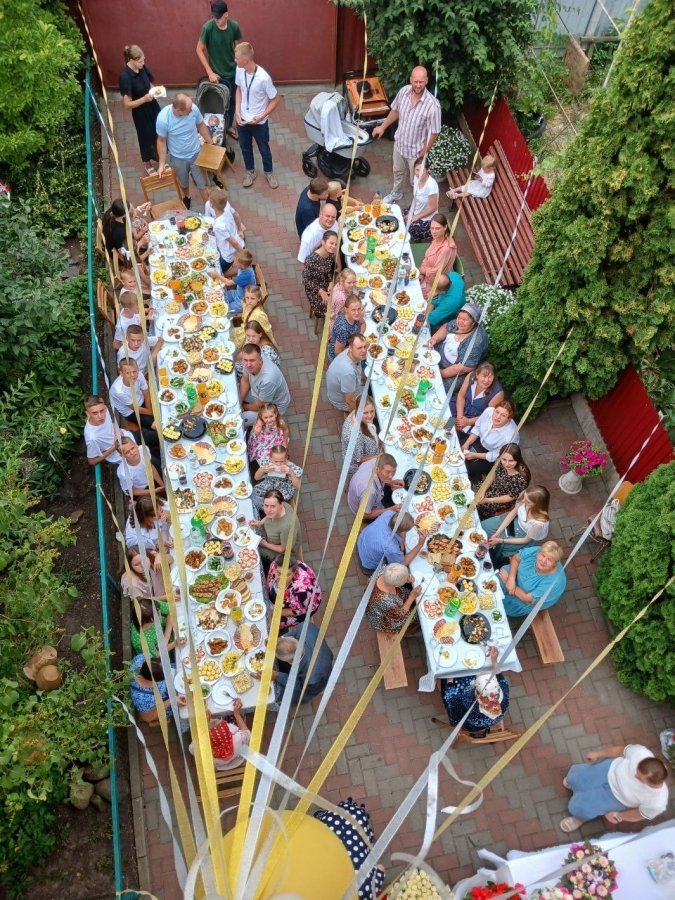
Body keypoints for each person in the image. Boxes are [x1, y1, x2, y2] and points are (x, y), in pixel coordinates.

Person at [560, 744, 669, 833]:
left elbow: (640, 814)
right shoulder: (641, 753)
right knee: (574, 777)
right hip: (609, 770)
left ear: (650, 784)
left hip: (616, 797)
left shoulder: (657, 802)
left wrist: (618, 816)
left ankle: (579, 818)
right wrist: (598, 753)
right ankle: (575, 785)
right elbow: (619, 751)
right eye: (637, 771)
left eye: (639, 778)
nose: (635, 775)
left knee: (581, 808)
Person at [371, 66, 441, 204]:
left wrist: (424, 151)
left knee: (416, 180)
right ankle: (396, 193)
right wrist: (382, 127)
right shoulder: (403, 92)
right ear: (411, 80)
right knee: (398, 172)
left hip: (416, 152)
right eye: (415, 81)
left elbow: (435, 132)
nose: (418, 85)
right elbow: (395, 111)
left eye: (421, 82)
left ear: (426, 81)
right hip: (399, 145)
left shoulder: (433, 105)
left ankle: (418, 203)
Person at [313, 799, 386, 900]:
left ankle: (322, 817)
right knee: (322, 826)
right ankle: (320, 817)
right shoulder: (314, 885)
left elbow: (381, 867)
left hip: (356, 823)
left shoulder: (367, 892)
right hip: (331, 824)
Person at [234, 42, 280, 189]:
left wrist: (261, 116)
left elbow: (275, 99)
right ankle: (250, 171)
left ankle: (269, 173)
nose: (235, 60)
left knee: (264, 149)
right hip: (243, 120)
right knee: (245, 147)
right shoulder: (239, 70)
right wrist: (237, 111)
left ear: (245, 60)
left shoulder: (263, 78)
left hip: (259, 123)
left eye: (237, 58)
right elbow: (239, 90)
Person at [156, 93, 213, 209]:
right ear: (178, 110)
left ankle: (209, 209)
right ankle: (187, 196)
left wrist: (211, 143)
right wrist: (161, 165)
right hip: (178, 158)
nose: (192, 110)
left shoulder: (193, 109)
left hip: (196, 153)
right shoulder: (163, 119)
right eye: (189, 109)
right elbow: (161, 141)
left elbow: (201, 125)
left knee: (203, 184)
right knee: (183, 182)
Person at [441, 646, 509, 738]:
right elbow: (500, 676)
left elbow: (449, 695)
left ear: (477, 694)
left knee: (451, 681)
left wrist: (450, 673)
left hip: (466, 724)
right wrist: (494, 661)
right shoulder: (503, 693)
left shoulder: (465, 702)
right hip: (491, 720)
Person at [196, 0, 242, 135]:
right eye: (214, 16)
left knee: (232, 101)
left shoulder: (234, 26)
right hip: (216, 75)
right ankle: (217, 128)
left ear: (226, 14)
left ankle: (229, 126)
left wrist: (239, 63)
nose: (216, 19)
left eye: (219, 17)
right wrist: (210, 72)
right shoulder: (208, 28)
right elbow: (199, 49)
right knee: (219, 103)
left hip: (233, 72)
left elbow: (237, 45)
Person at [429, 303, 489, 395]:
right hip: (440, 352)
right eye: (459, 318)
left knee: (436, 389)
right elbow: (446, 328)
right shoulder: (457, 323)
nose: (460, 322)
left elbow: (464, 368)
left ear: (473, 322)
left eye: (464, 320)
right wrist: (434, 339)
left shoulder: (477, 341)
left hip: (454, 370)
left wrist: (441, 373)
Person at [119, 45, 161, 173]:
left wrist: (155, 91)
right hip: (140, 112)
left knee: (159, 132)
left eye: (144, 60)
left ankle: (161, 159)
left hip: (152, 106)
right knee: (145, 137)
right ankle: (147, 164)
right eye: (140, 61)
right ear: (131, 60)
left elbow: (150, 83)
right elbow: (127, 104)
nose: (143, 63)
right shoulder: (125, 77)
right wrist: (144, 99)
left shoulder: (142, 67)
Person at [498, 542, 567, 618]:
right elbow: (516, 558)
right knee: (498, 578)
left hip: (527, 599)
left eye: (549, 560)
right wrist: (511, 579)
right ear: (539, 553)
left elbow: (527, 599)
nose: (543, 561)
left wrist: (507, 581)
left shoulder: (553, 582)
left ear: (554, 564)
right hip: (517, 579)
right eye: (543, 555)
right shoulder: (536, 551)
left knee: (505, 607)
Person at [484, 487, 551, 566]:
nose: (523, 501)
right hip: (514, 521)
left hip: (523, 535)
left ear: (536, 504)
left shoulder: (539, 523)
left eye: (527, 501)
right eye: (524, 497)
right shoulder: (524, 496)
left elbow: (525, 540)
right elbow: (513, 512)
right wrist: (497, 532)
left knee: (499, 547)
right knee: (485, 527)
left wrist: (501, 540)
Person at [272, 623, 333, 705]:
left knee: (288, 694)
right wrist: (281, 639)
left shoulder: (311, 678)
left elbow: (299, 686)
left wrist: (277, 676)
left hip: (313, 684)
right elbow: (295, 632)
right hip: (323, 654)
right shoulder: (306, 628)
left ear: (290, 662)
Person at [461, 401, 519, 481]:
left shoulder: (509, 437)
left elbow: (495, 455)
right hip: (479, 439)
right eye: (497, 412)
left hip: (489, 453)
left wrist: (474, 455)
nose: (497, 417)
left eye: (503, 415)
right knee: (457, 448)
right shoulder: (489, 411)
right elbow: (477, 428)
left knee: (466, 468)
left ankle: (476, 478)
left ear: (509, 419)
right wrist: (466, 444)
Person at [357, 511, 426, 575]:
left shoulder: (389, 514)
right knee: (397, 573)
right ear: (402, 532)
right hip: (368, 565)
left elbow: (400, 528)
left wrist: (402, 541)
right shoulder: (391, 547)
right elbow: (400, 564)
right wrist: (420, 544)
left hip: (361, 542)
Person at [238, 344, 290, 427]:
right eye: (245, 360)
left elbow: (260, 405)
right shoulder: (249, 363)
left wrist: (243, 407)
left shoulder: (268, 379)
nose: (248, 364)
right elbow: (245, 380)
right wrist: (239, 401)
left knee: (240, 419)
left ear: (260, 360)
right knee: (235, 394)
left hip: (272, 406)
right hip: (259, 393)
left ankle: (266, 425)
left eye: (252, 360)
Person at [476, 443, 531, 520]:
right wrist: (483, 490)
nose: (507, 464)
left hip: (502, 499)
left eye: (511, 461)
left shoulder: (522, 478)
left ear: (518, 459)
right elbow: (493, 474)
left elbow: (510, 497)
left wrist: (488, 500)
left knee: (483, 509)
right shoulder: (499, 461)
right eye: (504, 459)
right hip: (493, 487)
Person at [267, 554, 322, 630]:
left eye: (287, 575)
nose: (282, 578)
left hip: (301, 608)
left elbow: (294, 612)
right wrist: (265, 592)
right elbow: (269, 578)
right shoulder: (274, 564)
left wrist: (273, 612)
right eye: (279, 573)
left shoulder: (301, 591)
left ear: (294, 573)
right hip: (294, 598)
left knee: (272, 623)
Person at [191, 701, 251, 771]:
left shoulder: (205, 751)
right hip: (237, 760)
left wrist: (203, 726)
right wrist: (237, 714)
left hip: (219, 766)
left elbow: (192, 747)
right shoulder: (238, 738)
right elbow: (247, 733)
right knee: (239, 717)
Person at [109, 357, 158, 440]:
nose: (132, 375)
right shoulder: (118, 391)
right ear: (121, 373)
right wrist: (153, 413)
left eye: (134, 371)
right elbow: (135, 408)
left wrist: (151, 411)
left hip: (141, 400)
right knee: (156, 425)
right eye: (128, 373)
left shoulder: (140, 375)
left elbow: (146, 395)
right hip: (131, 411)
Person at [249, 489, 301, 566]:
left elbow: (283, 549)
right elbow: (268, 515)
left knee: (252, 550)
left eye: (273, 506)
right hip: (269, 538)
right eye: (266, 505)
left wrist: (265, 544)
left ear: (281, 505)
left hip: (281, 553)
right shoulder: (278, 508)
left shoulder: (286, 527)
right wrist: (260, 523)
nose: (268, 510)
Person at [365, 563, 421, 634]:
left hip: (389, 607)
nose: (408, 578)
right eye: (405, 580)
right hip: (385, 619)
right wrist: (411, 597)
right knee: (417, 614)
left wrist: (406, 576)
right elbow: (399, 616)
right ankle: (413, 629)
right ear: (396, 585)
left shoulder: (385, 569)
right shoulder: (385, 601)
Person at [130, 656, 185, 724]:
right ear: (157, 681)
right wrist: (171, 701)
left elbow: (157, 655)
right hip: (167, 701)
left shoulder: (140, 659)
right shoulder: (141, 698)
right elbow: (147, 718)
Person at [347, 454, 403, 521]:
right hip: (360, 510)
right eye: (388, 472)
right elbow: (364, 515)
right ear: (377, 469)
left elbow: (362, 459)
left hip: (359, 496)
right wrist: (391, 509)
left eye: (393, 472)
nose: (391, 476)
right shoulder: (370, 492)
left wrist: (390, 483)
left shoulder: (376, 461)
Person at [83, 395, 135, 467]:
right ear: (88, 413)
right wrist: (115, 446)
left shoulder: (105, 410)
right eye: (95, 413)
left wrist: (117, 429)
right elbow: (92, 461)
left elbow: (109, 423)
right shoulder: (92, 438)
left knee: (150, 436)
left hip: (127, 436)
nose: (100, 416)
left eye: (102, 411)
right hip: (120, 454)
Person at [452, 362, 504, 429]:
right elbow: (461, 396)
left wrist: (468, 422)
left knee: (455, 433)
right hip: (460, 408)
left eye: (490, 377)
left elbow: (489, 415)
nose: (487, 380)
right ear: (477, 375)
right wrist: (459, 418)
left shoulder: (498, 393)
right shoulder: (471, 376)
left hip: (476, 420)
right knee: (446, 423)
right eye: (484, 376)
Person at [252, 444, 302, 512]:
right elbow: (256, 478)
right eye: (276, 461)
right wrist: (263, 470)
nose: (279, 464)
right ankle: (270, 508)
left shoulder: (292, 467)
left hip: (284, 488)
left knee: (274, 500)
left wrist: (291, 473)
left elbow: (298, 486)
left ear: (286, 458)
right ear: (270, 458)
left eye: (282, 461)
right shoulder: (266, 462)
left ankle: (268, 508)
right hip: (268, 483)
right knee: (253, 493)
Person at [325, 334, 367, 413]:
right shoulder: (348, 372)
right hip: (342, 402)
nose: (364, 351)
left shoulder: (350, 353)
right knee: (372, 407)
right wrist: (356, 416)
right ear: (350, 348)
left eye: (365, 346)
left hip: (343, 390)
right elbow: (350, 401)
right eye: (359, 348)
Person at [402, 157, 439, 243]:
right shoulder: (416, 178)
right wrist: (411, 212)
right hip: (416, 209)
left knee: (410, 228)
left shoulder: (431, 185)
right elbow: (416, 197)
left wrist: (417, 216)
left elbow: (433, 208)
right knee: (400, 216)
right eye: (417, 170)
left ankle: (416, 242)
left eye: (422, 170)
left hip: (427, 218)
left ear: (428, 169)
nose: (419, 173)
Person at [419, 214, 456, 299]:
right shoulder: (437, 238)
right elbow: (427, 258)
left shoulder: (445, 249)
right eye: (432, 228)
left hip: (434, 283)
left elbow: (436, 272)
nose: (434, 232)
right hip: (425, 275)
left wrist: (422, 270)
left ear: (445, 227)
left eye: (437, 228)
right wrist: (421, 274)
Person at [302, 230, 337, 319]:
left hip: (325, 282)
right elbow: (306, 281)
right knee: (329, 307)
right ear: (323, 242)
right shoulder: (311, 260)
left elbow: (330, 270)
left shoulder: (331, 255)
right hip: (314, 289)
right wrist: (321, 292)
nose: (333, 246)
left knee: (340, 298)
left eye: (336, 244)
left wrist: (330, 282)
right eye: (331, 243)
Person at [341, 396, 380, 475]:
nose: (370, 416)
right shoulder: (356, 437)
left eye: (372, 411)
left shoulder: (356, 413)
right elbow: (359, 459)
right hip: (360, 466)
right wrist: (379, 457)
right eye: (365, 413)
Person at [209, 187, 244, 275]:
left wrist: (243, 253)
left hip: (228, 255)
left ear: (212, 205)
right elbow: (236, 215)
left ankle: (234, 272)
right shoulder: (227, 206)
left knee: (217, 272)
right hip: (237, 244)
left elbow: (233, 242)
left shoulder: (219, 225)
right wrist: (240, 230)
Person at [231, 285, 276, 349]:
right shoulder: (244, 303)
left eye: (252, 298)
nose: (249, 301)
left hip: (251, 337)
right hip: (245, 330)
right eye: (247, 297)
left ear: (259, 299)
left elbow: (267, 331)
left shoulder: (259, 315)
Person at [328, 296, 365, 361]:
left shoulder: (355, 316)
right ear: (346, 310)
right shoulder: (342, 329)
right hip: (338, 358)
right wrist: (355, 345)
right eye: (353, 310)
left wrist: (359, 337)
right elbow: (338, 352)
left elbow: (363, 324)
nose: (357, 312)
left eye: (359, 309)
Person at [223, 248, 255, 314]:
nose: (234, 262)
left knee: (224, 310)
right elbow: (236, 271)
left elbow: (228, 283)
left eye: (235, 261)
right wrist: (223, 275)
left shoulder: (245, 275)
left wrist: (217, 275)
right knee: (221, 297)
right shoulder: (246, 266)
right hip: (238, 293)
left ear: (242, 265)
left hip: (243, 301)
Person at [329, 267, 357, 335]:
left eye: (354, 282)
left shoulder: (341, 285)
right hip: (338, 325)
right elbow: (342, 316)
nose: (352, 285)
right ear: (342, 281)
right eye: (349, 283)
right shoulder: (341, 298)